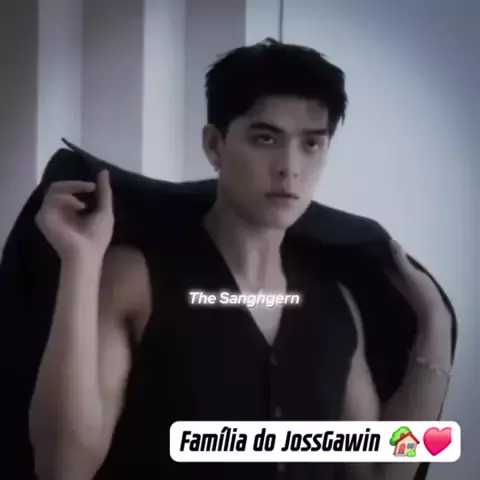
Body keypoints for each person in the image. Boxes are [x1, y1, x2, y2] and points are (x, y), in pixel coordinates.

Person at [29, 39, 452, 480]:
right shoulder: (136, 279)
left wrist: (436, 325)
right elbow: (63, 468)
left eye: (311, 144)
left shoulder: (336, 304)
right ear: (215, 145)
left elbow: (381, 474)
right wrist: (80, 263)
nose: (289, 167)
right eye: (265, 139)